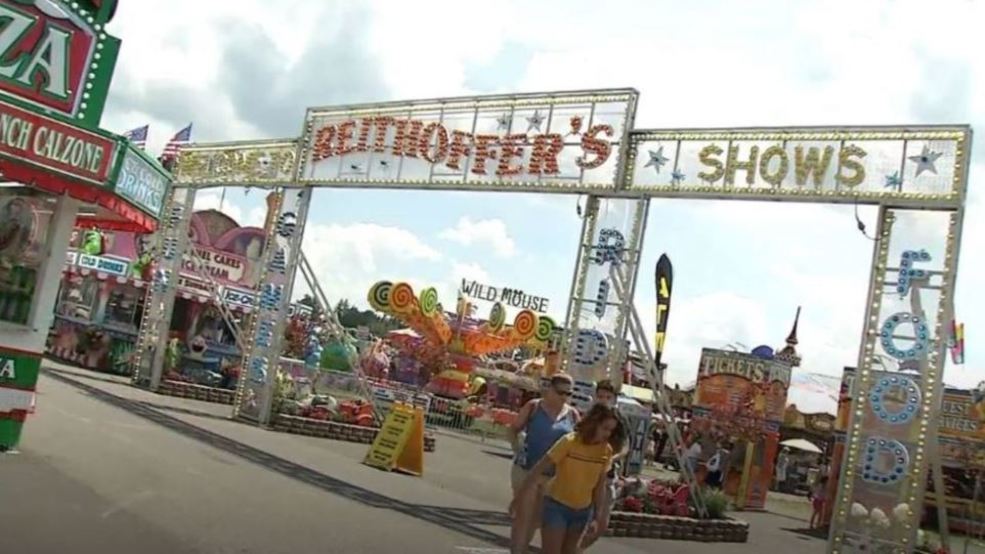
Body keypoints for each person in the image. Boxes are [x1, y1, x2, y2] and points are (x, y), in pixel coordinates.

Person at [511, 404, 626, 554]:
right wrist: (519, 497)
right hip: (557, 506)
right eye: (605, 428)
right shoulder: (570, 442)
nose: (607, 434)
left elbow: (599, 486)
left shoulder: (606, 451)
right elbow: (538, 469)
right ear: (593, 423)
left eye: (611, 430)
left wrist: (597, 517)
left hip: (582, 511)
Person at [508, 373, 579, 554]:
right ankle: (517, 550)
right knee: (524, 517)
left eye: (568, 394)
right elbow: (513, 430)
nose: (564, 397)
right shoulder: (534, 407)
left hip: (553, 476)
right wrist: (518, 449)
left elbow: (577, 442)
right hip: (527, 469)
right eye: (561, 392)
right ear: (550, 390)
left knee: (537, 520)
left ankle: (521, 548)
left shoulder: (572, 415)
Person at [579, 380, 626, 551]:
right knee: (580, 520)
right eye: (600, 396)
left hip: (607, 476)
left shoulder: (618, 418)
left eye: (608, 397)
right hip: (585, 473)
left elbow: (625, 446)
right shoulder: (588, 416)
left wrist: (611, 458)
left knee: (601, 524)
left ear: (614, 398)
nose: (604, 400)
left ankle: (577, 549)